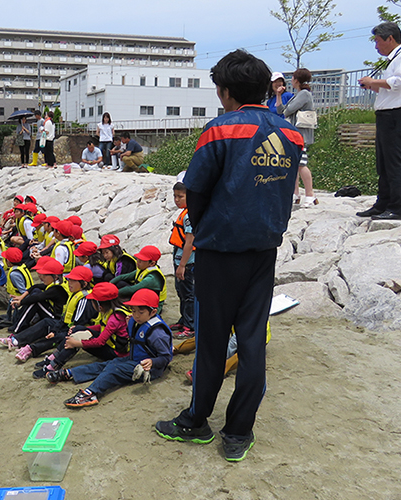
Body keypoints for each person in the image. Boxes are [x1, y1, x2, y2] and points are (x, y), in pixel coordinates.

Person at [154, 49, 301, 462]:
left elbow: (196, 190)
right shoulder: (289, 133)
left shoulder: (219, 131)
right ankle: (238, 432)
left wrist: (202, 229)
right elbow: (283, 188)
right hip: (264, 251)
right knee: (253, 343)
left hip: (220, 253)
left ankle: (197, 420)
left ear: (226, 91)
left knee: (212, 341)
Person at [46, 288, 172, 409]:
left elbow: (166, 357)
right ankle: (71, 373)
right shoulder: (134, 321)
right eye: (133, 311)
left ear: (153, 312)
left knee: (114, 369)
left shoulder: (157, 333)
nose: (136, 315)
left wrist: (152, 362)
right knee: (109, 364)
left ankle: (91, 393)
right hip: (134, 359)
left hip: (148, 369)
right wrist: (130, 326)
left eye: (141, 312)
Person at [356, 22, 401, 221]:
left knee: (393, 163)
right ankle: (382, 203)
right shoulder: (393, 60)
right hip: (385, 116)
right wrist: (372, 86)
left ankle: (396, 208)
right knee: (382, 163)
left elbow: (399, 82)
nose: (376, 46)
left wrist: (373, 81)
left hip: (396, 116)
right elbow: (389, 88)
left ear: (390, 38)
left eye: (377, 41)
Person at [34, 282, 129, 377]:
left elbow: (100, 342)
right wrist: (82, 329)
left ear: (99, 306)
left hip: (116, 353)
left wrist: (77, 343)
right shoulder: (112, 310)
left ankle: (54, 365)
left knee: (78, 338)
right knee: (78, 329)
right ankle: (54, 357)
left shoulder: (115, 318)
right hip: (110, 344)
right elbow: (103, 327)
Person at [276, 68, 318, 208]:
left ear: (297, 80)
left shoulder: (304, 94)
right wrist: (278, 96)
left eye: (293, 78)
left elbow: (287, 111)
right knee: (295, 164)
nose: (291, 80)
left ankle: (310, 194)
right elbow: (280, 110)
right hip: (295, 134)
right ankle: (296, 194)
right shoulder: (298, 94)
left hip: (301, 134)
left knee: (301, 164)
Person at [168, 182, 196, 339]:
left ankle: (190, 326)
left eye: (180, 196)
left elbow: (189, 243)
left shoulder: (189, 216)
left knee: (188, 294)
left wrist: (182, 265)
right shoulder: (184, 212)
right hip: (179, 259)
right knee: (181, 291)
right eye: (175, 196)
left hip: (187, 262)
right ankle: (183, 319)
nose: (177, 200)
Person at [110, 245, 166, 313]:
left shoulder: (151, 278)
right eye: (137, 259)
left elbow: (132, 289)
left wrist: (111, 294)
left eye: (141, 261)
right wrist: (109, 284)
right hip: (143, 295)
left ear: (152, 263)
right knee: (120, 283)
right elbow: (122, 277)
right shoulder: (143, 268)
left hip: (153, 304)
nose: (137, 262)